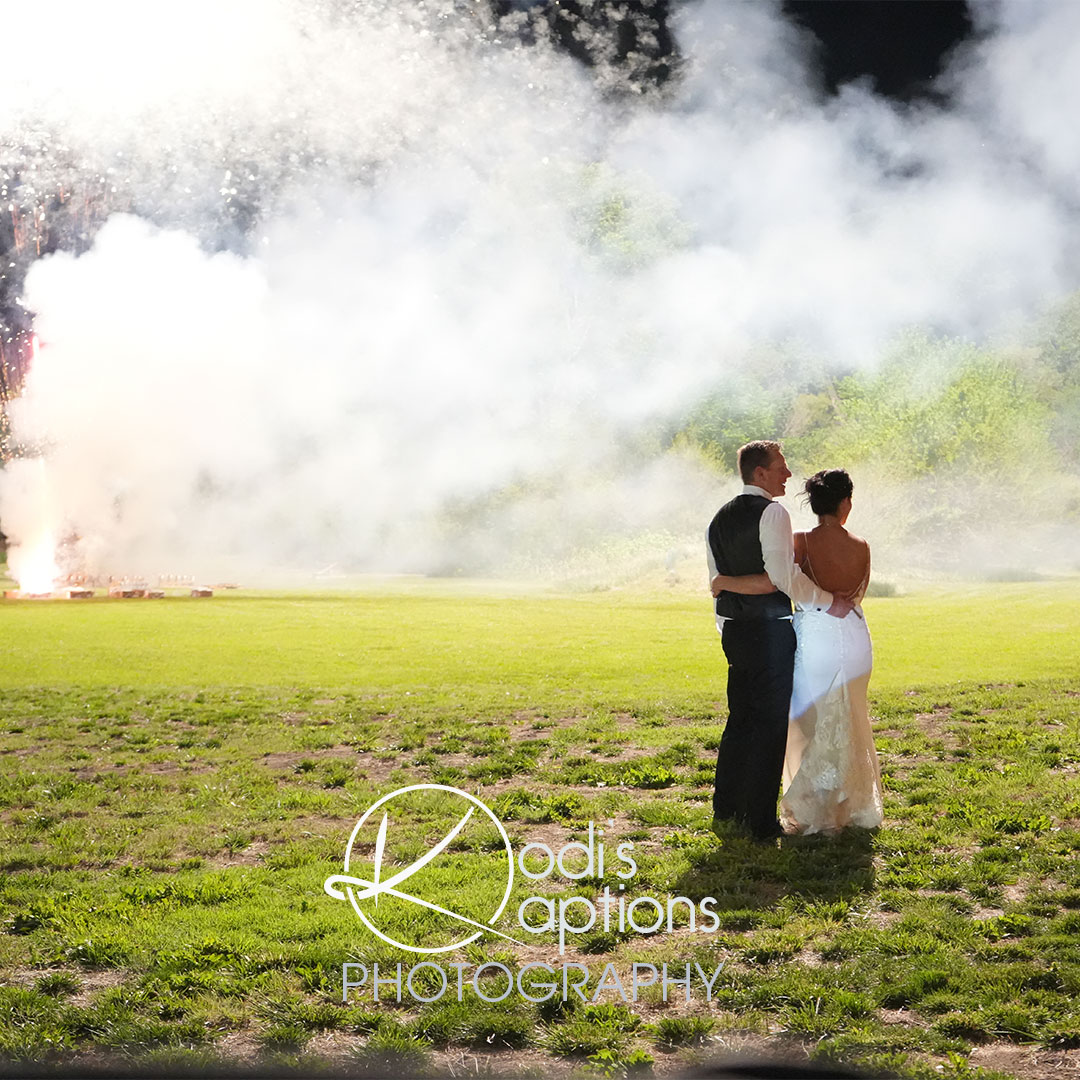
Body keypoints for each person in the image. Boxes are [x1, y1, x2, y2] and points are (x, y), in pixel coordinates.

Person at [711, 468, 884, 834]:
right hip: (853, 633)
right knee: (851, 717)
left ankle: (814, 809)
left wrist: (725, 583)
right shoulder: (863, 545)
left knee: (809, 721)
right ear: (845, 504)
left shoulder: (801, 541)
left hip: (815, 634)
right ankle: (851, 803)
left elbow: (786, 581)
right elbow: (857, 594)